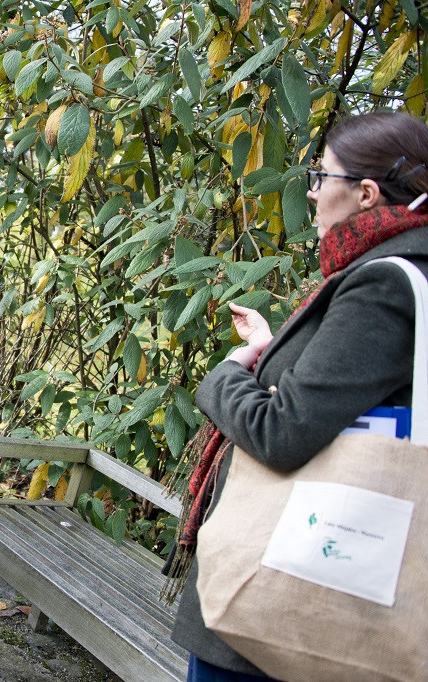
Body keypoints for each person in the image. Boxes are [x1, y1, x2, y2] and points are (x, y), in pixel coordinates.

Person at [169, 110, 428, 680]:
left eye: (322, 177)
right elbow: (338, 397)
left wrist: (227, 375)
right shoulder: (392, 268)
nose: (311, 193)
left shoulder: (386, 282)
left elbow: (281, 432)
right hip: (317, 580)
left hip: (282, 610)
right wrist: (271, 352)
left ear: (364, 193)